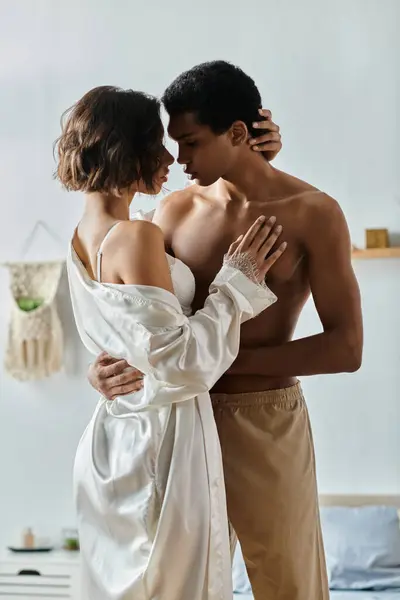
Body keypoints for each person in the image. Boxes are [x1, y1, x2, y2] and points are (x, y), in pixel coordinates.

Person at [90, 61, 364, 600]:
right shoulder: (173, 210)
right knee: (176, 584)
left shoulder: (313, 213)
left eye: (190, 143)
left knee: (289, 585)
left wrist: (219, 361)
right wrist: (101, 366)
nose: (178, 159)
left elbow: (347, 347)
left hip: (265, 421)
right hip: (180, 422)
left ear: (237, 134)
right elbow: (139, 314)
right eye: (173, 144)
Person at [59, 85, 286, 600]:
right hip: (163, 439)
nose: (171, 159)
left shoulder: (80, 236)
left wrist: (253, 158)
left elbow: (127, 338)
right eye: (158, 145)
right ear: (126, 149)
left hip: (112, 439)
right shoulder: (135, 237)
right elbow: (181, 362)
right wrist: (237, 282)